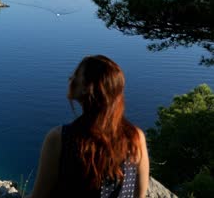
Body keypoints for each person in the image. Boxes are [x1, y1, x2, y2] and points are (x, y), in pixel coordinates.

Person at [28, 55, 149, 198]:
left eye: (75, 75)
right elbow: (139, 194)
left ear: (87, 88)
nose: (70, 79)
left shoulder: (60, 138)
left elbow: (39, 195)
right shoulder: (135, 137)